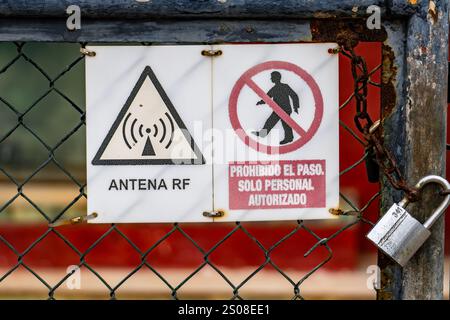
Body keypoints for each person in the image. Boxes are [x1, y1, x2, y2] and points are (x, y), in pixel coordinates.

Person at [252, 71, 300, 145]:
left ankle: (288, 138)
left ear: (276, 78)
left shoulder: (284, 86)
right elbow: (267, 97)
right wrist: (261, 102)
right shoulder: (274, 88)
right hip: (278, 110)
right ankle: (287, 137)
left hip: (284, 109)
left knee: (283, 123)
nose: (271, 79)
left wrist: (295, 107)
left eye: (272, 77)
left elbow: (294, 95)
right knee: (273, 122)